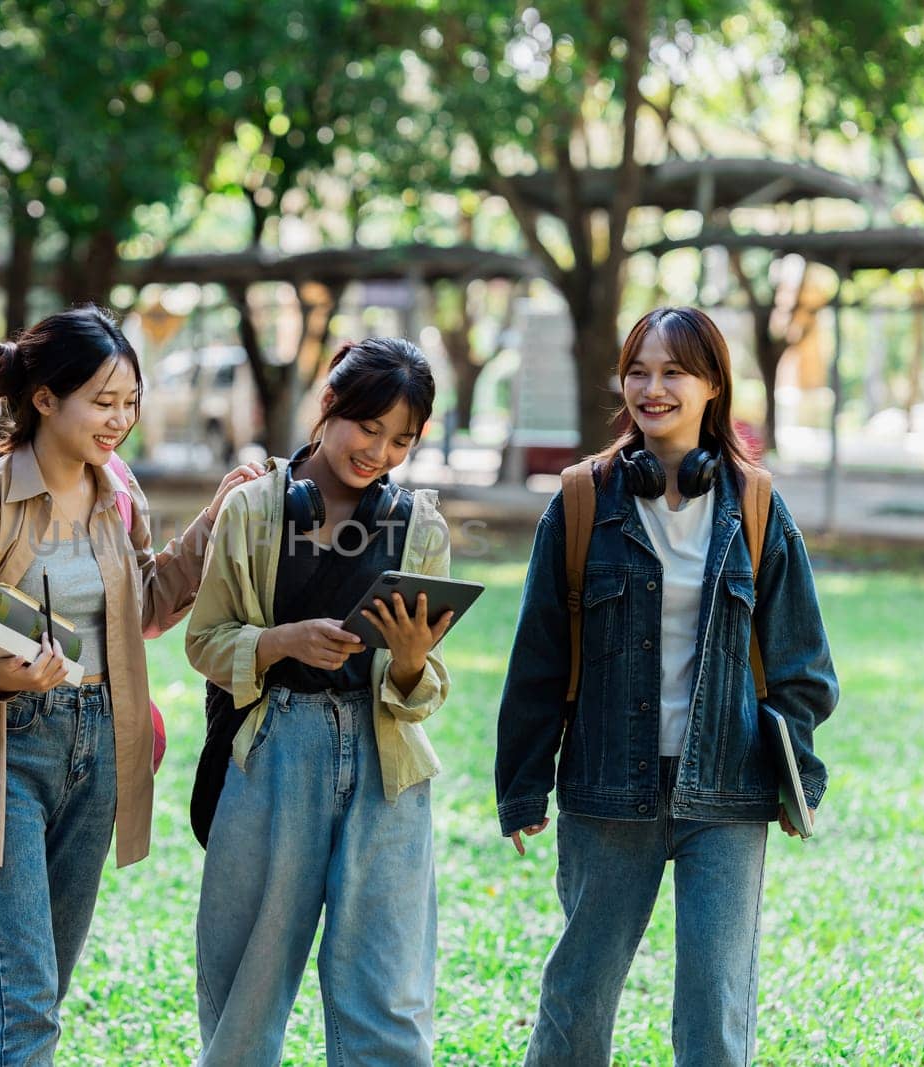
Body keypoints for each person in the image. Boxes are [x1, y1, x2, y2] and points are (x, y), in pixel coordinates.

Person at [0, 305, 261, 1066]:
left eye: (129, 402)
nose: (120, 420)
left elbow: (151, 606)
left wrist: (215, 518)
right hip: (9, 756)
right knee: (27, 1006)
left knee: (46, 987)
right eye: (103, 401)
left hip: (101, 748)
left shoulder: (116, 491)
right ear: (44, 398)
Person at [495, 306, 839, 1066]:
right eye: (639, 370)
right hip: (607, 788)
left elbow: (805, 666)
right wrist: (521, 783)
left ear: (713, 384)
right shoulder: (584, 501)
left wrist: (795, 774)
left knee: (716, 1007)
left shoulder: (754, 505)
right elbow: (539, 659)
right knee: (578, 996)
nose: (652, 388)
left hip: (728, 790)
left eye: (674, 371)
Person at [184, 337, 454, 1066]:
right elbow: (204, 640)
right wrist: (279, 642)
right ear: (329, 405)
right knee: (245, 989)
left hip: (386, 765)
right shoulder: (251, 508)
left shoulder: (419, 525)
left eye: (401, 439)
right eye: (369, 427)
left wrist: (406, 664)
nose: (379, 451)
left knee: (387, 994)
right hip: (276, 751)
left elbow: (422, 691)